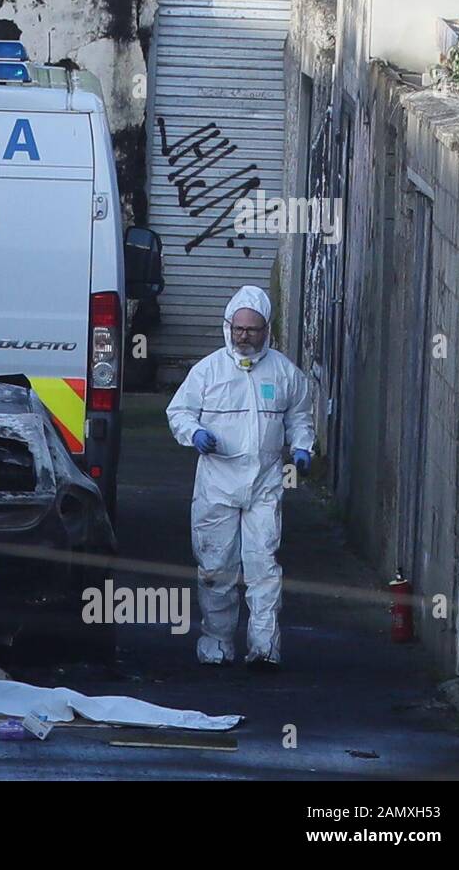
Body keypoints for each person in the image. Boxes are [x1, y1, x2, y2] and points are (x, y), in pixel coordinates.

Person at [166, 285, 314, 672]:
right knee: (216, 567)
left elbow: (300, 415)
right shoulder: (208, 371)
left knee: (263, 567)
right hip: (217, 483)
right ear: (228, 326)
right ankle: (216, 642)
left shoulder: (284, 373)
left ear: (267, 330)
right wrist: (193, 433)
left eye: (253, 329)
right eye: (239, 328)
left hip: (265, 484)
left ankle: (265, 648)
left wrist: (302, 446)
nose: (244, 335)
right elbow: (179, 411)